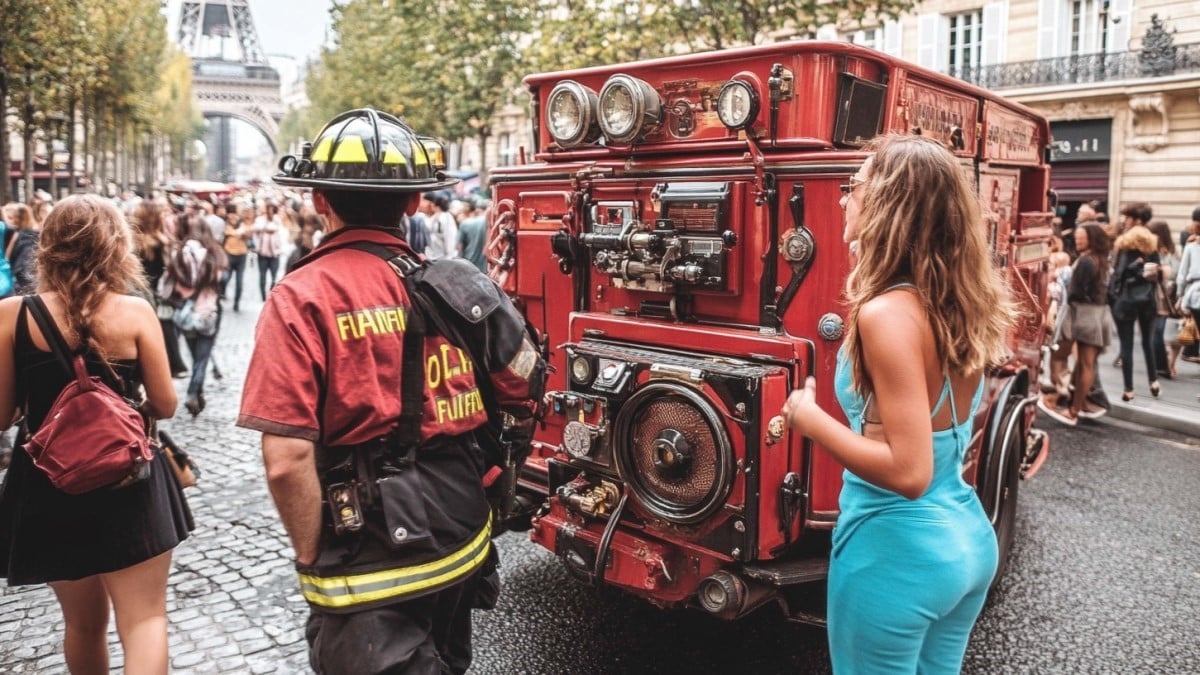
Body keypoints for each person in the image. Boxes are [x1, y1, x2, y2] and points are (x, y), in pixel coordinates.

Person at [238, 108, 544, 675]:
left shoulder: (300, 297)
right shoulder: (463, 287)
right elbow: (524, 381)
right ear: (412, 202)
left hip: (371, 555)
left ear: (317, 199)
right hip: (462, 533)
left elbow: (285, 462)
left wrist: (312, 558)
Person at [781, 135, 1012, 673]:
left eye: (853, 187)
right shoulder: (959, 299)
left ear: (890, 203)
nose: (843, 199)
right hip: (967, 540)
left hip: (896, 553)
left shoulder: (885, 314)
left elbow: (909, 472)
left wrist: (809, 420)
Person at [0, 195, 193, 674]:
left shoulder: (11, 316)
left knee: (82, 625)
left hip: (49, 482)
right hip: (130, 480)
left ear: (48, 246)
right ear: (116, 247)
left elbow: (2, 416)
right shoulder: (134, 312)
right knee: (144, 619)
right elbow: (166, 404)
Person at [1040, 224, 1114, 424]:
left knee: (1082, 364)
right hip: (1097, 314)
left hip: (1083, 313)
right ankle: (1075, 405)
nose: (1078, 241)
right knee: (1085, 364)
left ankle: (1073, 410)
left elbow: (1076, 292)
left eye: (1082, 238)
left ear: (1092, 239)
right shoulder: (1101, 260)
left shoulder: (1086, 262)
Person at [169, 213, 227, 417]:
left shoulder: (180, 253)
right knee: (201, 359)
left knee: (196, 356)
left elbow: (176, 285)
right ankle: (194, 393)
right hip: (208, 310)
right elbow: (220, 280)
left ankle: (197, 392)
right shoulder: (215, 254)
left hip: (186, 313)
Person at [1110, 202, 1161, 401]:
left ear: (1137, 220)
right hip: (1147, 298)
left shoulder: (1125, 245)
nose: (1125, 221)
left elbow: (1120, 274)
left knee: (1127, 344)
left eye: (1128, 218)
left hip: (1126, 300)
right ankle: (1153, 381)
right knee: (1147, 341)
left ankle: (1129, 390)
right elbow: (1155, 272)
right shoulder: (1151, 245)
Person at [1147, 219, 1178, 379]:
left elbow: (1175, 273)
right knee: (1154, 332)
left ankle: (1162, 366)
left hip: (1164, 297)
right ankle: (1160, 366)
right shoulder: (1150, 250)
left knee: (1157, 332)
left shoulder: (1169, 252)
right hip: (1151, 295)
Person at [5, 203, 39, 294]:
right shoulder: (37, 232)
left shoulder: (17, 234)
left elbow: (8, 255)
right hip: (32, 273)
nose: (13, 220)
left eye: (14, 217)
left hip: (20, 273)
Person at [222, 204, 252, 312]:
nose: (232, 217)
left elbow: (248, 234)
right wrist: (238, 232)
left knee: (239, 282)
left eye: (234, 214)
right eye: (230, 214)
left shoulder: (243, 223)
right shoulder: (225, 224)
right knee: (225, 278)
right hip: (229, 254)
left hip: (241, 256)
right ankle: (222, 293)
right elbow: (228, 232)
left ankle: (236, 303)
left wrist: (240, 232)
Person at [252, 202, 283, 299]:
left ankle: (271, 293)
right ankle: (263, 296)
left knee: (274, 276)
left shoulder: (278, 220)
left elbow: (281, 233)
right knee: (262, 276)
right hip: (263, 253)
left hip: (275, 254)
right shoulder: (260, 220)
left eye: (272, 211)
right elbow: (255, 231)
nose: (270, 213)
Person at [420, 190, 458, 260]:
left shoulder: (446, 217)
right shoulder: (433, 217)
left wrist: (449, 257)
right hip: (432, 256)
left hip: (443, 258)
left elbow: (450, 238)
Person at [458, 195, 488, 272]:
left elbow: (460, 247)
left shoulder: (465, 223)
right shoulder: (488, 222)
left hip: (468, 265)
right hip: (484, 266)